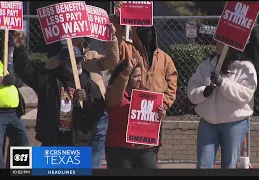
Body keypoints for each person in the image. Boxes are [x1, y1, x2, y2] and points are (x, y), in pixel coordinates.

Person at [13, 31, 106, 147]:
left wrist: (86, 99)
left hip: (78, 143)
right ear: (62, 62)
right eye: (72, 60)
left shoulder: (88, 84)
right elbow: (25, 71)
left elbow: (98, 110)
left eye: (79, 60)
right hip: (52, 141)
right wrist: (20, 49)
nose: (77, 63)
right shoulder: (48, 80)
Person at [45, 24, 119, 168]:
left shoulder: (90, 57)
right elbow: (49, 67)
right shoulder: (61, 57)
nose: (78, 37)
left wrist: (111, 39)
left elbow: (111, 62)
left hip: (95, 109)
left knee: (93, 159)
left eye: (80, 35)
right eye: (74, 35)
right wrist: (67, 54)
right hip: (72, 113)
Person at [112, 1, 178, 156]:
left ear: (154, 33)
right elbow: (117, 44)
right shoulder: (129, 50)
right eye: (142, 31)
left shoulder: (164, 58)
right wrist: (118, 19)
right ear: (136, 33)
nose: (146, 34)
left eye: (149, 31)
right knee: (132, 153)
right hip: (132, 112)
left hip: (154, 113)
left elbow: (172, 83)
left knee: (151, 154)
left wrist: (165, 105)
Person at [187, 40, 259, 168]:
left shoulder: (245, 67)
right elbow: (192, 88)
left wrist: (222, 83)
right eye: (217, 42)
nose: (217, 45)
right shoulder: (206, 65)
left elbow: (245, 94)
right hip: (208, 123)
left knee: (229, 164)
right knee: (203, 163)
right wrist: (204, 92)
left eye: (221, 43)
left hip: (234, 123)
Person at [104, 59, 165, 168]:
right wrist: (126, 72)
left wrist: (160, 113)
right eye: (135, 76)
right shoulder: (115, 94)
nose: (139, 79)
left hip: (145, 148)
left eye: (141, 76)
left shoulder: (146, 95)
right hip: (120, 148)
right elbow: (117, 90)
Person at [0, 60, 29, 168]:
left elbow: (21, 81)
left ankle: (19, 171)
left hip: (14, 114)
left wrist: (14, 79)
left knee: (22, 142)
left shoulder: (4, 60)